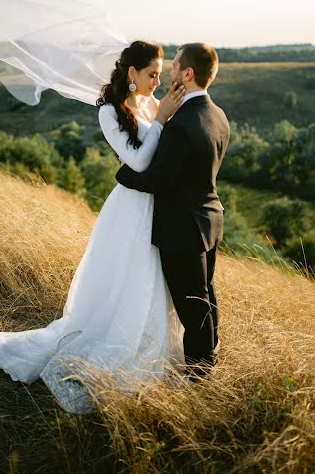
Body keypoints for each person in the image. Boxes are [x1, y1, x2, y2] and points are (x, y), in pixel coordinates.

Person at [0, 40, 187, 413]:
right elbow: (138, 162)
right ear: (132, 73)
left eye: (159, 74)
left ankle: (150, 340)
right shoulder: (110, 111)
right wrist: (160, 120)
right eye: (152, 74)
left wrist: (170, 112)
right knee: (129, 276)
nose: (157, 80)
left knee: (153, 279)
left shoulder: (153, 102)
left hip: (157, 205)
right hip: (131, 209)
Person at [116, 42, 230, 380]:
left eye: (175, 66)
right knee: (206, 293)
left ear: (188, 74)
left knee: (191, 305)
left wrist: (123, 174)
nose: (169, 73)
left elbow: (160, 180)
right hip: (210, 219)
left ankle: (199, 374)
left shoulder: (181, 124)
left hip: (183, 229)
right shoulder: (217, 114)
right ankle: (211, 351)